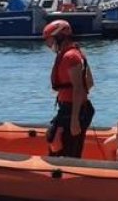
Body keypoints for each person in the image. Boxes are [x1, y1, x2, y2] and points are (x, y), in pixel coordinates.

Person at [44, 20, 95, 157]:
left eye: (50, 40)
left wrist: (74, 119)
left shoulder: (70, 57)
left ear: (59, 37)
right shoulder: (74, 53)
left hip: (73, 109)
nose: (49, 45)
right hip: (70, 108)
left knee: (67, 148)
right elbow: (89, 82)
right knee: (53, 138)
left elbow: (79, 88)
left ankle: (67, 173)